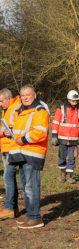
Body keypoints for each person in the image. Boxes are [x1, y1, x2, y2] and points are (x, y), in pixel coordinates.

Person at [8, 84, 50, 229]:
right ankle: (31, 216)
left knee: (31, 187)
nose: (25, 97)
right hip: (22, 153)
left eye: (28, 95)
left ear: (35, 95)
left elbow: (40, 132)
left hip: (32, 153)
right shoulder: (21, 111)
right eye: (23, 95)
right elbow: (19, 129)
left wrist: (24, 139)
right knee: (25, 187)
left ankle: (35, 217)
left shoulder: (39, 110)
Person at [51, 90, 79, 184]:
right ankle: (62, 175)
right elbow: (55, 123)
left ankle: (70, 177)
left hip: (74, 140)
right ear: (68, 100)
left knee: (72, 158)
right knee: (62, 158)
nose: (75, 103)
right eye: (73, 101)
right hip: (62, 139)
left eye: (76, 101)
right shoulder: (61, 109)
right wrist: (54, 136)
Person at [0, 88, 21, 220]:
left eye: (1, 101)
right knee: (10, 177)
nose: (0, 104)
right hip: (5, 147)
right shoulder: (6, 109)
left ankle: (9, 207)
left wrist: (7, 132)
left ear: (8, 99)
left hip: (11, 147)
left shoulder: (15, 108)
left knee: (8, 177)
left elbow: (17, 126)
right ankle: (13, 207)